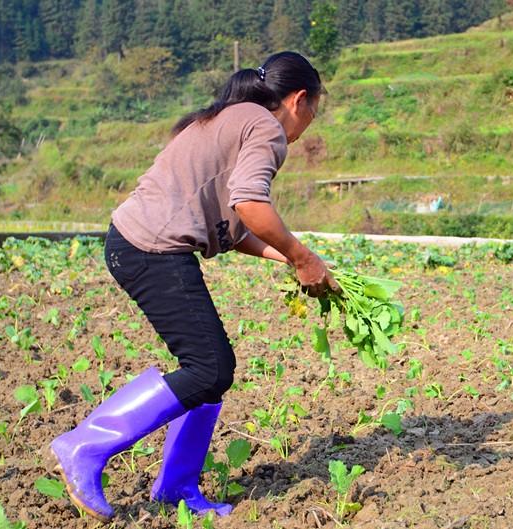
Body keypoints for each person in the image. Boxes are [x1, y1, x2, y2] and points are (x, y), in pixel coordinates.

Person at [48, 51, 340, 523]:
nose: (309, 123)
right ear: (299, 99)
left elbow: (236, 228)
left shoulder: (230, 118)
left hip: (138, 245)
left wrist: (291, 259)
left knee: (209, 367)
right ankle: (84, 445)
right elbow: (249, 203)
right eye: (313, 111)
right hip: (152, 249)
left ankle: (177, 487)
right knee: (210, 366)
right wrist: (304, 256)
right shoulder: (264, 127)